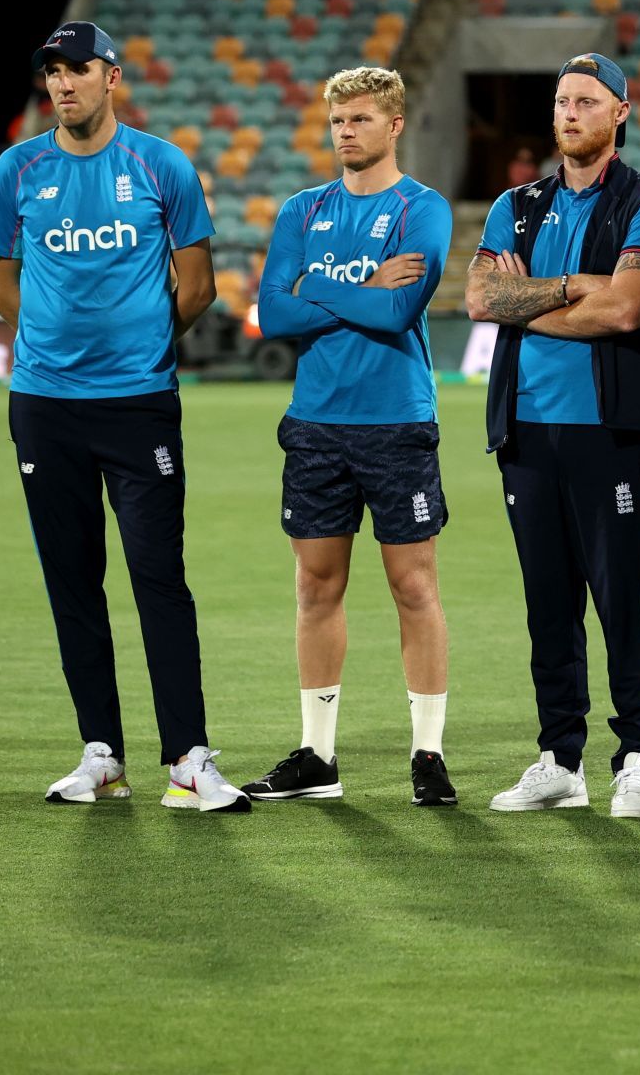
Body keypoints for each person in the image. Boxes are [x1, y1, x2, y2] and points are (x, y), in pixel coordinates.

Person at [0, 21, 243, 812]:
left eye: (77, 70)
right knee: (72, 581)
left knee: (160, 578)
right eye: (52, 74)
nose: (62, 85)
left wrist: (133, 351)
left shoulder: (161, 164)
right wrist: (53, 353)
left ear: (111, 77)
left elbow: (195, 286)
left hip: (138, 406)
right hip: (45, 408)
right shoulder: (16, 168)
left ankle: (188, 760)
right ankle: (101, 753)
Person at [465, 52, 640, 818]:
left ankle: (636, 758)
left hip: (609, 432)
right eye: (561, 100)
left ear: (620, 112)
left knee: (625, 601)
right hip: (525, 430)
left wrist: (530, 296)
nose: (569, 113)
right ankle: (560, 757)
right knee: (547, 604)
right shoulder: (515, 204)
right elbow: (481, 298)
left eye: (587, 101)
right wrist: (569, 289)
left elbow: (625, 311)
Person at [243, 66, 458, 806]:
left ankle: (427, 753)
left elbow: (400, 313)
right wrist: (366, 288)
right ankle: (317, 756)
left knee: (414, 585)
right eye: (337, 121)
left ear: (394, 126)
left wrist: (320, 290)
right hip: (316, 425)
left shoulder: (421, 208)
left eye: (360, 119)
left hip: (396, 421)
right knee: (315, 586)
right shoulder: (303, 210)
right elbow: (272, 315)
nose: (345, 132)